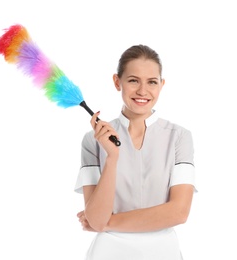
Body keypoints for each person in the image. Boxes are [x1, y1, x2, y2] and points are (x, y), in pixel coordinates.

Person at [74, 44, 197, 259]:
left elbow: (179, 212)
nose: (142, 91)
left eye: (151, 82)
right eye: (133, 80)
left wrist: (107, 222)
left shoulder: (179, 137)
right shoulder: (92, 141)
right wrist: (112, 157)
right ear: (117, 82)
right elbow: (96, 218)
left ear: (162, 85)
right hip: (109, 252)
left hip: (162, 252)